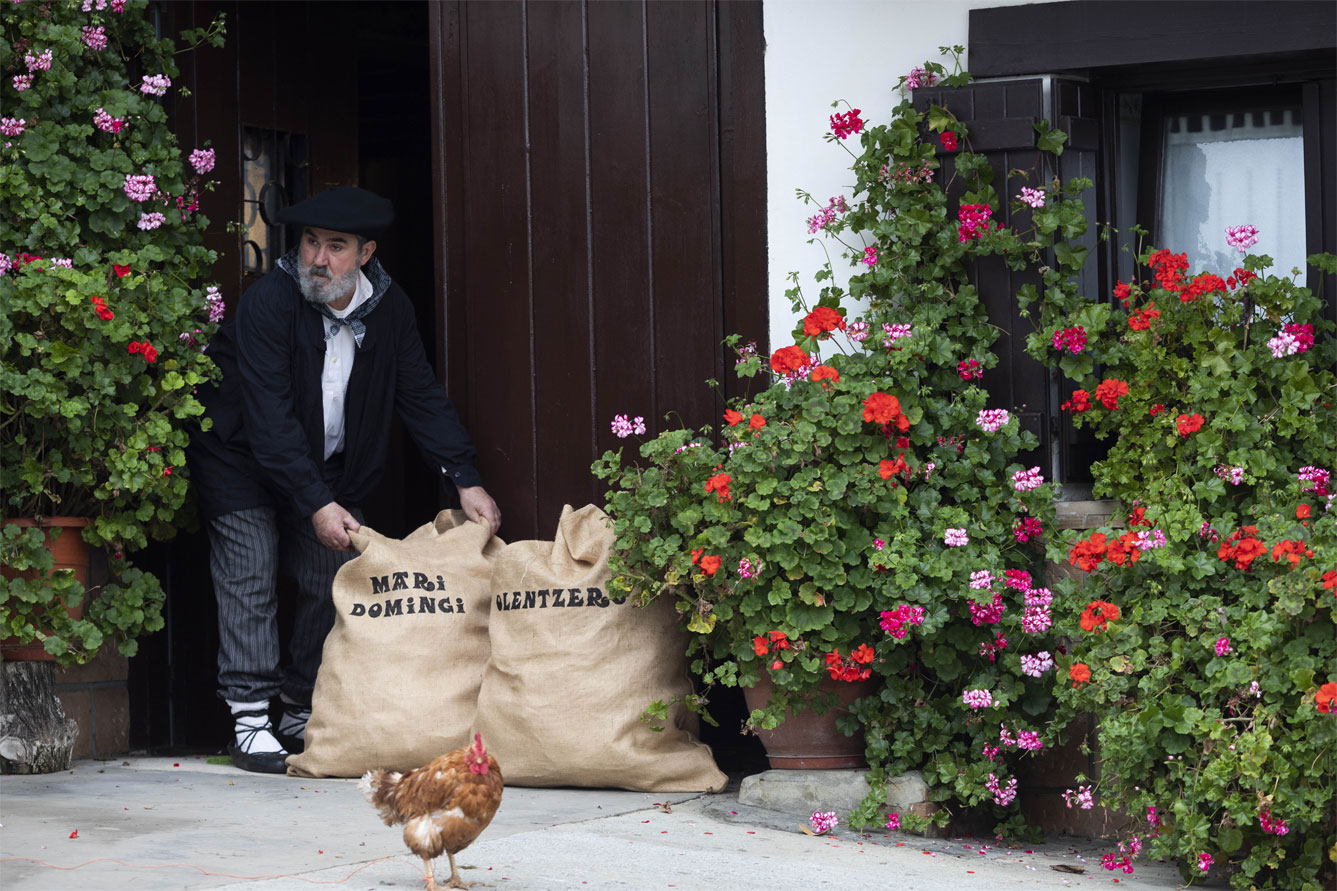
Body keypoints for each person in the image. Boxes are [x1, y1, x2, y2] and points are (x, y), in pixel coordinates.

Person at [187, 186, 500, 773]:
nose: (318, 259)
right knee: (250, 570)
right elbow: (269, 417)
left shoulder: (391, 308)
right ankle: (251, 718)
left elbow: (420, 394)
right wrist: (315, 502)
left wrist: (464, 477)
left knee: (327, 578)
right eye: (309, 243)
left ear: (365, 253)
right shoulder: (268, 304)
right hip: (239, 456)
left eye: (335, 246)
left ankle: (300, 708)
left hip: (327, 463)